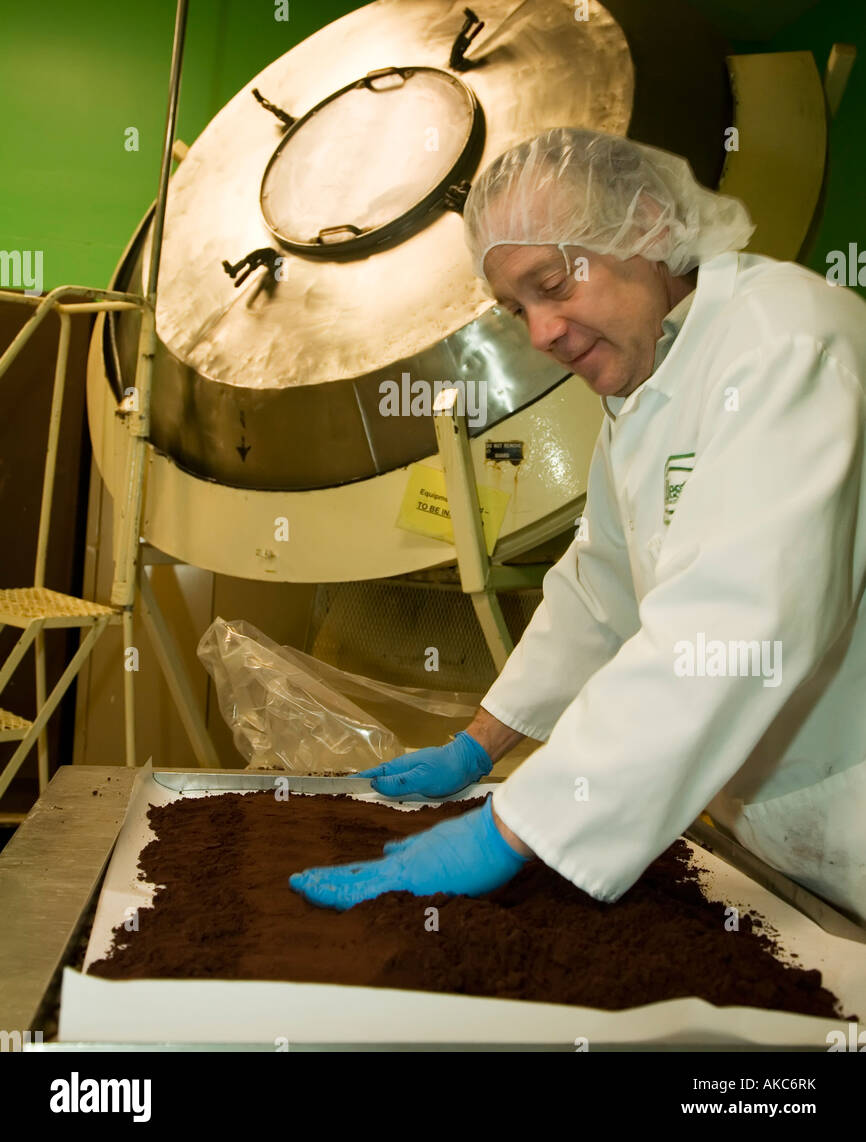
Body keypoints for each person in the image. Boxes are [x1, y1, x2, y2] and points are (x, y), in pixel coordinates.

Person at [289, 127, 866, 922]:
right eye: (515, 308)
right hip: (764, 834)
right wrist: (479, 745)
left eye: (554, 283)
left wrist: (511, 830)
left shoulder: (784, 344)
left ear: (652, 226)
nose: (541, 334)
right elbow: (599, 588)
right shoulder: (647, 385)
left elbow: (736, 622)